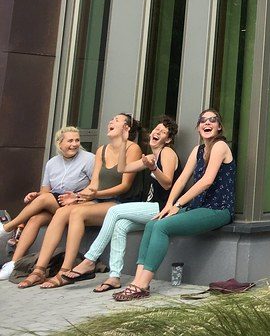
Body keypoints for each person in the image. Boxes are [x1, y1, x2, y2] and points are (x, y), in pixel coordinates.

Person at [113, 109, 235, 301]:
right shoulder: (198, 150)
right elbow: (181, 180)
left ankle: (142, 285)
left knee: (162, 227)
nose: (207, 123)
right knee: (153, 223)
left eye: (213, 120)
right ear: (198, 127)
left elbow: (206, 181)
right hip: (197, 207)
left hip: (218, 209)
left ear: (219, 127)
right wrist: (169, 206)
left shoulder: (220, 146)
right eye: (203, 120)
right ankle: (137, 281)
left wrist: (179, 203)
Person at [17, 114, 144, 289]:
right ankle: (39, 270)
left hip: (119, 202)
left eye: (116, 119)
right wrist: (77, 197)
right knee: (62, 211)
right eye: (111, 118)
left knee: (77, 212)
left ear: (126, 128)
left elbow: (124, 186)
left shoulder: (132, 148)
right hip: (99, 200)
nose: (111, 121)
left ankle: (65, 270)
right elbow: (94, 184)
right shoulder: (102, 150)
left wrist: (91, 195)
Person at [64, 116, 182, 293]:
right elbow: (122, 169)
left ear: (169, 139)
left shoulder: (167, 153)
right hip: (150, 209)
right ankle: (114, 276)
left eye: (163, 132)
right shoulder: (150, 156)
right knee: (120, 226)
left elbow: (167, 183)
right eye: (156, 129)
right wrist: (125, 143)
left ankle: (90, 259)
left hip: (162, 207)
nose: (157, 132)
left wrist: (153, 168)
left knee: (114, 211)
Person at [0, 127, 95, 281]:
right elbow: (45, 192)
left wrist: (77, 197)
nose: (75, 144)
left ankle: (7, 227)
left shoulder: (89, 159)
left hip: (78, 204)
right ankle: (13, 264)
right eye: (70, 140)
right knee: (34, 219)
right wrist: (36, 196)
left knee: (45, 200)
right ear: (59, 143)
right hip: (55, 205)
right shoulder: (52, 163)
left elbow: (95, 187)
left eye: (77, 140)